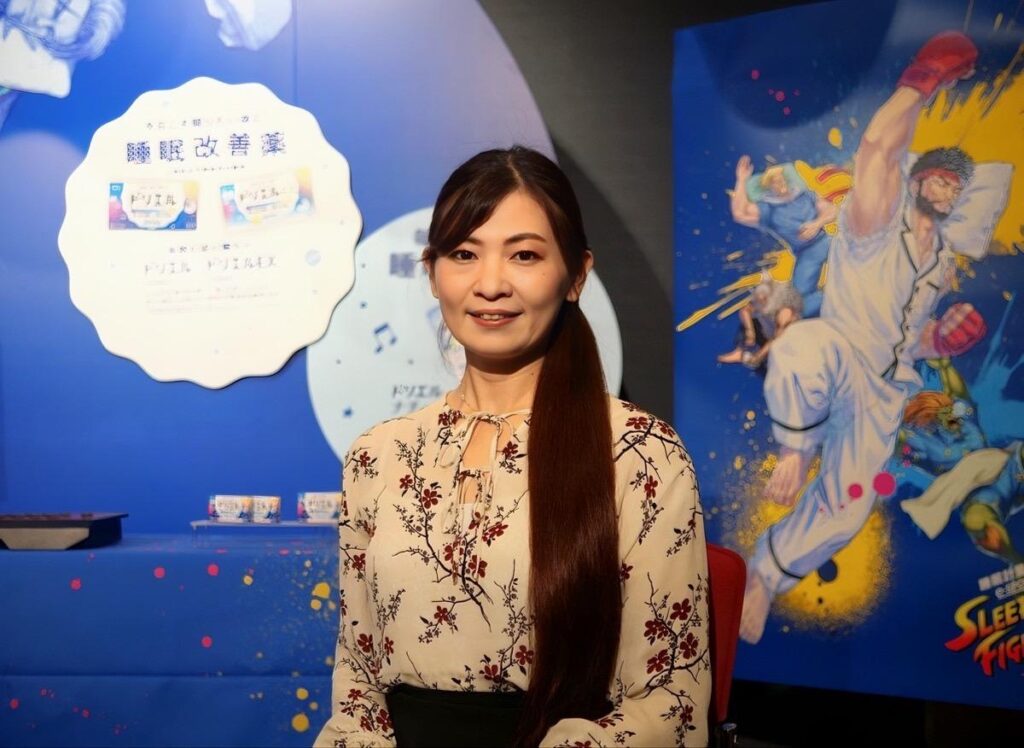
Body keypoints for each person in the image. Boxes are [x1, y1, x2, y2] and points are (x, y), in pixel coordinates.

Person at [314, 147, 710, 747]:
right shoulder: (378, 456)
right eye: (464, 254)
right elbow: (358, 685)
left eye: (524, 255)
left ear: (576, 275)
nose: (491, 284)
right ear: (432, 273)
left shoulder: (639, 453)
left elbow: (671, 702)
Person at [740, 31, 1012, 644]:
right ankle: (796, 449)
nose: (944, 190)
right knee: (798, 349)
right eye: (937, 178)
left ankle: (765, 576)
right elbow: (876, 150)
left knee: (849, 507)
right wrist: (921, 80)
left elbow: (910, 340)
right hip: (839, 350)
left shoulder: (939, 261)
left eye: (955, 186)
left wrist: (942, 342)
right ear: (918, 180)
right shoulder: (875, 222)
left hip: (885, 392)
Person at [730, 157, 837, 317]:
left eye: (781, 178)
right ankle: (837, 299)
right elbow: (740, 214)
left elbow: (831, 209)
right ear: (768, 186)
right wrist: (741, 180)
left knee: (860, 260)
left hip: (826, 242)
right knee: (801, 304)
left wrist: (816, 223)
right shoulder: (768, 209)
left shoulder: (804, 195)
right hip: (805, 253)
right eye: (774, 181)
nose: (780, 183)